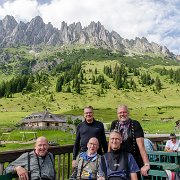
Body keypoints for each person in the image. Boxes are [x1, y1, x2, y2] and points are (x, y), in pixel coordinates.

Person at [110, 105, 150, 179]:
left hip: (134, 160)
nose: (122, 114)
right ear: (117, 114)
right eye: (120, 113)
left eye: (124, 112)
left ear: (128, 113)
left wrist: (146, 164)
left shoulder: (135, 124)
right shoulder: (114, 124)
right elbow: (111, 143)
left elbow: (141, 146)